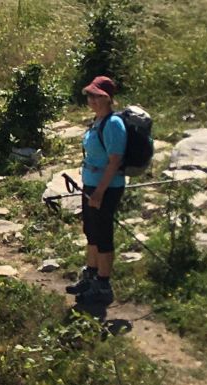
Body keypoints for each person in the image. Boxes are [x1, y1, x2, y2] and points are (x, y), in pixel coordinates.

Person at [65, 76, 125, 306]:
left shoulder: (113, 124)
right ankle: (90, 275)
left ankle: (103, 284)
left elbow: (115, 160)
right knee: (90, 231)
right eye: (90, 95)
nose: (93, 100)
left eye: (98, 96)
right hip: (91, 185)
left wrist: (100, 192)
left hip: (106, 188)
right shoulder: (97, 121)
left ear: (109, 98)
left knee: (102, 235)